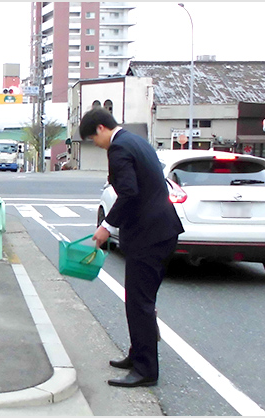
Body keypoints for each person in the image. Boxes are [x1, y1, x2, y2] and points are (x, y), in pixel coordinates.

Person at [81, 107, 184, 387]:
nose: (96, 145)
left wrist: (106, 227)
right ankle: (137, 354)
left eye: (93, 139)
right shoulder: (136, 140)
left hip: (149, 235)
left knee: (139, 303)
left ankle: (146, 370)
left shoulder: (119, 149)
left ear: (101, 128)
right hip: (161, 231)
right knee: (140, 301)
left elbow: (128, 193)